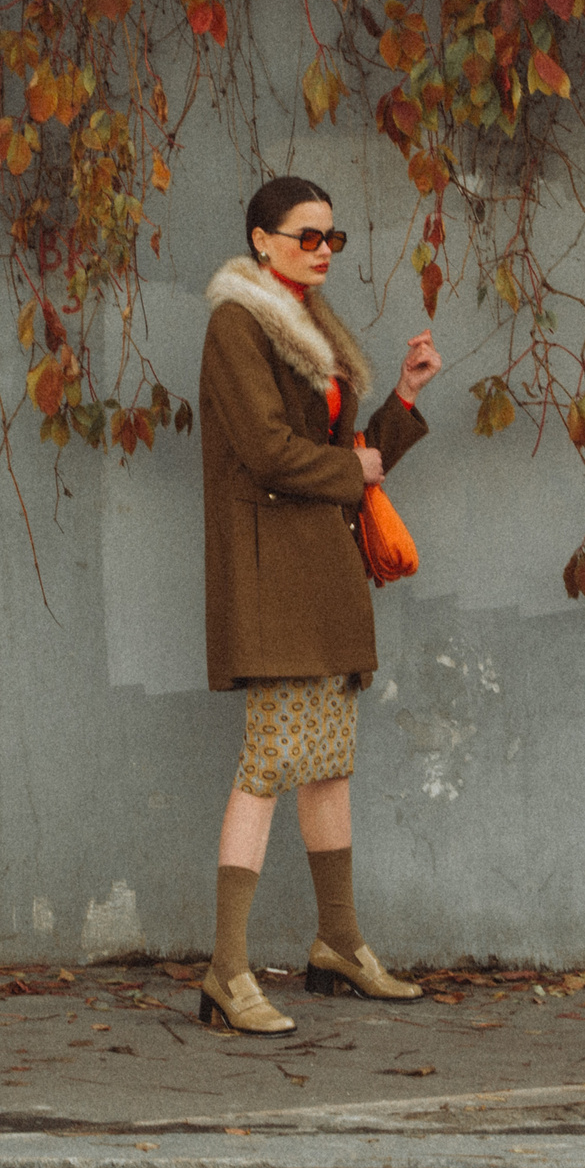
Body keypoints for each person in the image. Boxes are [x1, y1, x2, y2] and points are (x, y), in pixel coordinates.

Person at [193, 177, 442, 1036]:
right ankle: (227, 969)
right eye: (307, 236)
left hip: (322, 575)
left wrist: (402, 400)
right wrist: (353, 468)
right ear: (261, 241)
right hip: (274, 579)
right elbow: (268, 451)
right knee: (267, 765)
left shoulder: (310, 324)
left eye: (332, 237)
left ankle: (338, 942)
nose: (324, 249)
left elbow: (345, 459)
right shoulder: (238, 323)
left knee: (329, 764)